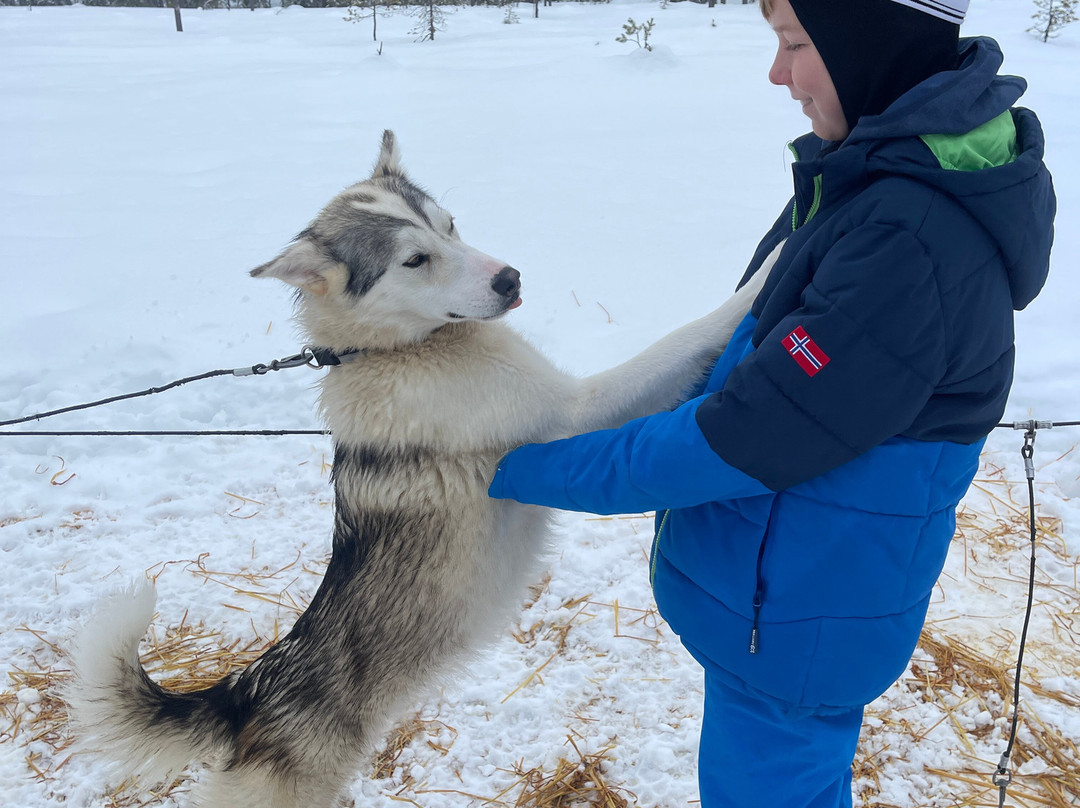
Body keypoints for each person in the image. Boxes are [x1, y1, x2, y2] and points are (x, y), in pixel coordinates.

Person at [488, 0, 1056, 805]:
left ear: (869, 43)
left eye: (796, 43)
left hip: (796, 630)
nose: (778, 73)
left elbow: (741, 435)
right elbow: (743, 360)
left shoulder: (909, 240)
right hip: (793, 610)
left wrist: (516, 466)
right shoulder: (875, 177)